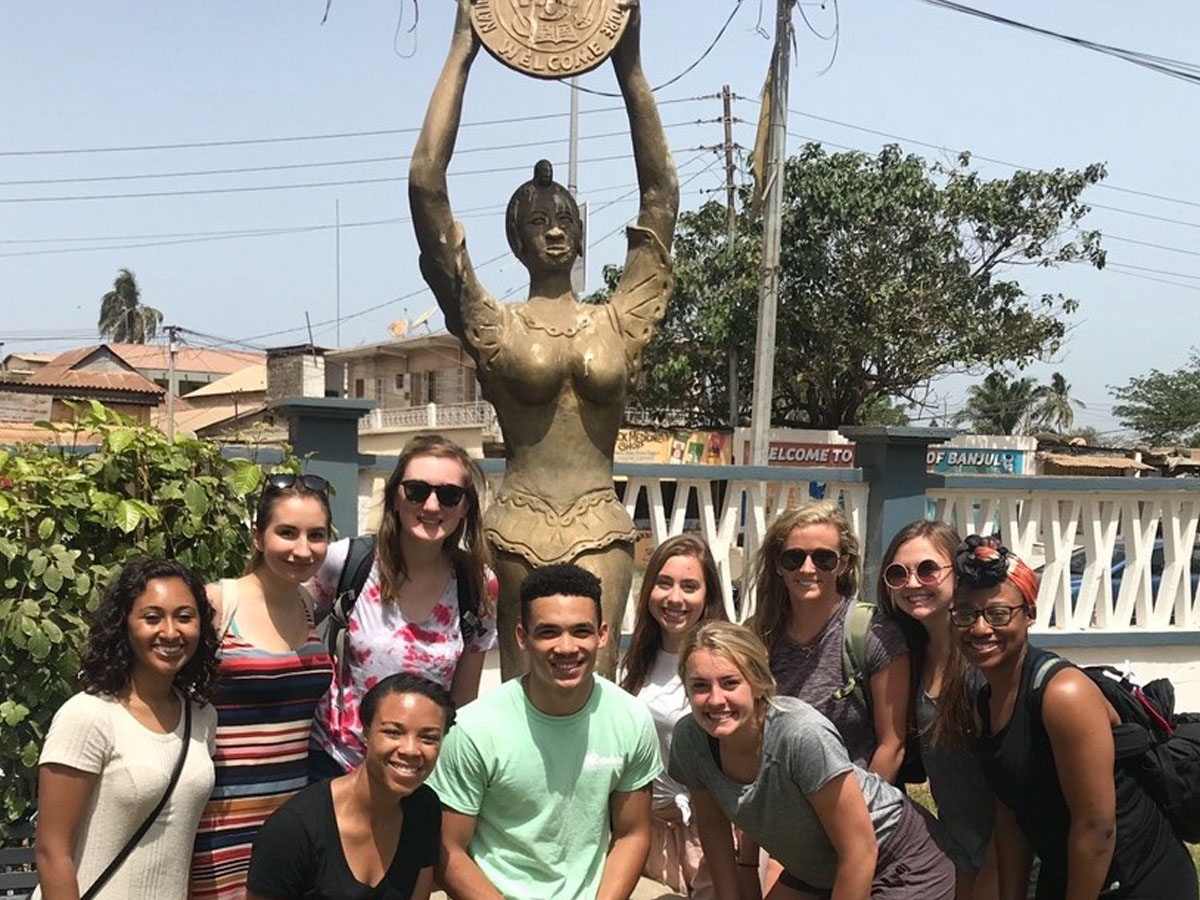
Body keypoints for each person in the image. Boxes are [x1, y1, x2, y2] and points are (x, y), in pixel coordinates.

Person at [409, 0, 679, 679]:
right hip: (518, 529)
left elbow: (661, 195)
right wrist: (462, 54)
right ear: (517, 237)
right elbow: (425, 187)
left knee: (598, 689)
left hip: (602, 524)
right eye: (537, 220)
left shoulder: (617, 320)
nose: (553, 228)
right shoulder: (495, 324)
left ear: (581, 231)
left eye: (563, 218)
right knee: (526, 697)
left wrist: (631, 70)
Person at [939, 535, 1197, 900]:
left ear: (1029, 614)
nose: (980, 628)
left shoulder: (1063, 695)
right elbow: (1012, 814)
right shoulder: (986, 701)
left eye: (998, 614)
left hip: (1137, 880)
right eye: (965, 614)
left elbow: (1097, 829)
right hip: (1069, 874)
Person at [669, 621, 955, 900]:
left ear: (757, 683)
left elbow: (860, 849)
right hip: (816, 870)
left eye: (730, 683)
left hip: (896, 857)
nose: (716, 699)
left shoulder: (799, 734)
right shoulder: (690, 740)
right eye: (700, 686)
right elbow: (714, 832)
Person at [429, 563, 662, 900]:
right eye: (549, 632)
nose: (566, 647)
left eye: (581, 631)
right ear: (522, 637)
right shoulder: (473, 729)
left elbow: (632, 834)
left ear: (603, 634)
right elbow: (448, 850)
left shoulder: (631, 718)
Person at [303, 434, 496, 779]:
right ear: (395, 495)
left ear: (466, 506)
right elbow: (289, 631)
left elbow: (463, 704)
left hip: (419, 773)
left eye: (450, 495)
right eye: (417, 491)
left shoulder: (478, 584)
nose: (433, 506)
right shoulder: (346, 562)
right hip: (337, 764)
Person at [33, 559, 219, 900]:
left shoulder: (202, 717)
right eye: (152, 617)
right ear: (125, 625)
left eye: (184, 616)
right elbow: (51, 852)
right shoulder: (88, 717)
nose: (170, 631)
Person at [190, 473, 337, 900]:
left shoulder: (309, 606)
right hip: (216, 821)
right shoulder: (217, 604)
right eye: (286, 533)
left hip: (289, 819)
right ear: (257, 536)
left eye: (316, 535)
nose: (302, 549)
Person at [243, 673, 449, 900]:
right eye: (393, 732)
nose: (410, 749)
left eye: (428, 738)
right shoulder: (294, 830)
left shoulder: (424, 809)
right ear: (366, 733)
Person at [877, 521, 998, 900]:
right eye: (898, 573)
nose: (912, 584)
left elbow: (1015, 790)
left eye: (927, 569)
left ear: (957, 573)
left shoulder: (985, 660)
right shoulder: (909, 657)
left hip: (1016, 856)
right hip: (962, 853)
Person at [748, 502, 910, 780]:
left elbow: (892, 746)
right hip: (777, 809)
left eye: (824, 558)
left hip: (856, 806)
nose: (808, 569)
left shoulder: (874, 633)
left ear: (843, 564)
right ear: (778, 565)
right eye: (793, 558)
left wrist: (859, 815)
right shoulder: (757, 636)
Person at [620, 534, 726, 899]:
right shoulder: (636, 662)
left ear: (708, 594)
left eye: (689, 586)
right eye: (664, 583)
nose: (675, 598)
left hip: (713, 833)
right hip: (652, 830)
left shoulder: (727, 661)